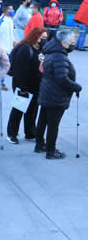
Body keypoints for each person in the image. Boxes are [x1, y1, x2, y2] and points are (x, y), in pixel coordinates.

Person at [36, 30, 82, 159]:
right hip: (56, 95)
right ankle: (51, 151)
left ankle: (39, 145)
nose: (72, 45)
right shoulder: (59, 56)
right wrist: (76, 87)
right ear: (63, 42)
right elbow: (62, 78)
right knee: (53, 125)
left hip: (47, 91)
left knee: (43, 120)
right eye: (71, 42)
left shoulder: (51, 52)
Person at [6, 27, 48, 144]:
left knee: (33, 110)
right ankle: (12, 133)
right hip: (23, 84)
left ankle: (30, 133)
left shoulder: (40, 49)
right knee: (18, 109)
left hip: (36, 85)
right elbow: (20, 71)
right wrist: (22, 88)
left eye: (45, 38)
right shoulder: (25, 49)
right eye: (42, 37)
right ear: (35, 36)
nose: (44, 40)